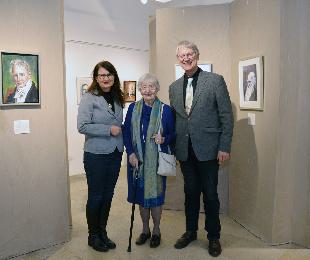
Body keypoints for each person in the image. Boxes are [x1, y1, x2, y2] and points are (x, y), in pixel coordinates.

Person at [169, 41, 233, 257]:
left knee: (211, 195)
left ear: (197, 55)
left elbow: (226, 116)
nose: (186, 58)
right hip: (185, 151)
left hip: (209, 149)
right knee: (190, 193)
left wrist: (224, 146)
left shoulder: (215, 81)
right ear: (178, 59)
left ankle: (213, 237)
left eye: (190, 54)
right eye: (182, 55)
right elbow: (178, 120)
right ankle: (190, 232)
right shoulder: (173, 87)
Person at [123, 73, 175, 248]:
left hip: (156, 162)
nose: (148, 90)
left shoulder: (165, 110)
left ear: (157, 89)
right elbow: (126, 132)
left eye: (151, 86)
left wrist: (164, 139)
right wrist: (130, 153)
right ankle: (145, 230)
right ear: (139, 89)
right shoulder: (133, 109)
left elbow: (173, 134)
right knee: (141, 198)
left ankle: (157, 230)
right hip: (136, 162)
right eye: (144, 87)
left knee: (155, 199)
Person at [77, 61, 124, 252]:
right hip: (95, 155)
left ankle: (103, 232)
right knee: (96, 196)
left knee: (108, 195)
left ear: (114, 76)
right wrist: (107, 129)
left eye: (109, 74)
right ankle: (93, 236)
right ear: (96, 78)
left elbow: (119, 123)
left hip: (115, 153)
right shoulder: (89, 98)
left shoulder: (117, 96)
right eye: (102, 75)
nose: (106, 78)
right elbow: (82, 126)